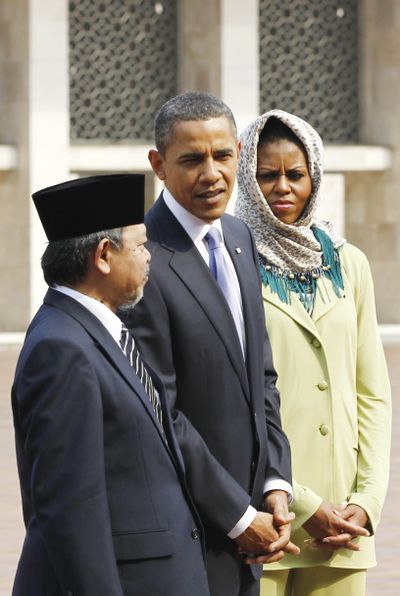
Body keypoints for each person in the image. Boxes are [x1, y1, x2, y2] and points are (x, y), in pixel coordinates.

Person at [120, 91, 299, 596]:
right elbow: (161, 410)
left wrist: (274, 484)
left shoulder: (240, 238)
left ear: (239, 153)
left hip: (257, 522)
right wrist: (238, 517)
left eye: (222, 156)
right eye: (192, 159)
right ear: (158, 164)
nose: (211, 173)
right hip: (191, 530)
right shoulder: (143, 260)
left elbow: (260, 374)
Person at [11, 174, 212, 596]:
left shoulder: (99, 329)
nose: (149, 257)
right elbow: (72, 511)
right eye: (140, 246)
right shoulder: (62, 348)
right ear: (104, 255)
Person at [234, 109, 392, 596]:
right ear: (247, 178)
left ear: (315, 175)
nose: (282, 187)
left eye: (295, 174)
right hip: (268, 518)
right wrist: (303, 505)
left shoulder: (348, 262)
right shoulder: (230, 260)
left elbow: (373, 394)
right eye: (267, 175)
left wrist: (364, 500)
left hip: (343, 526)